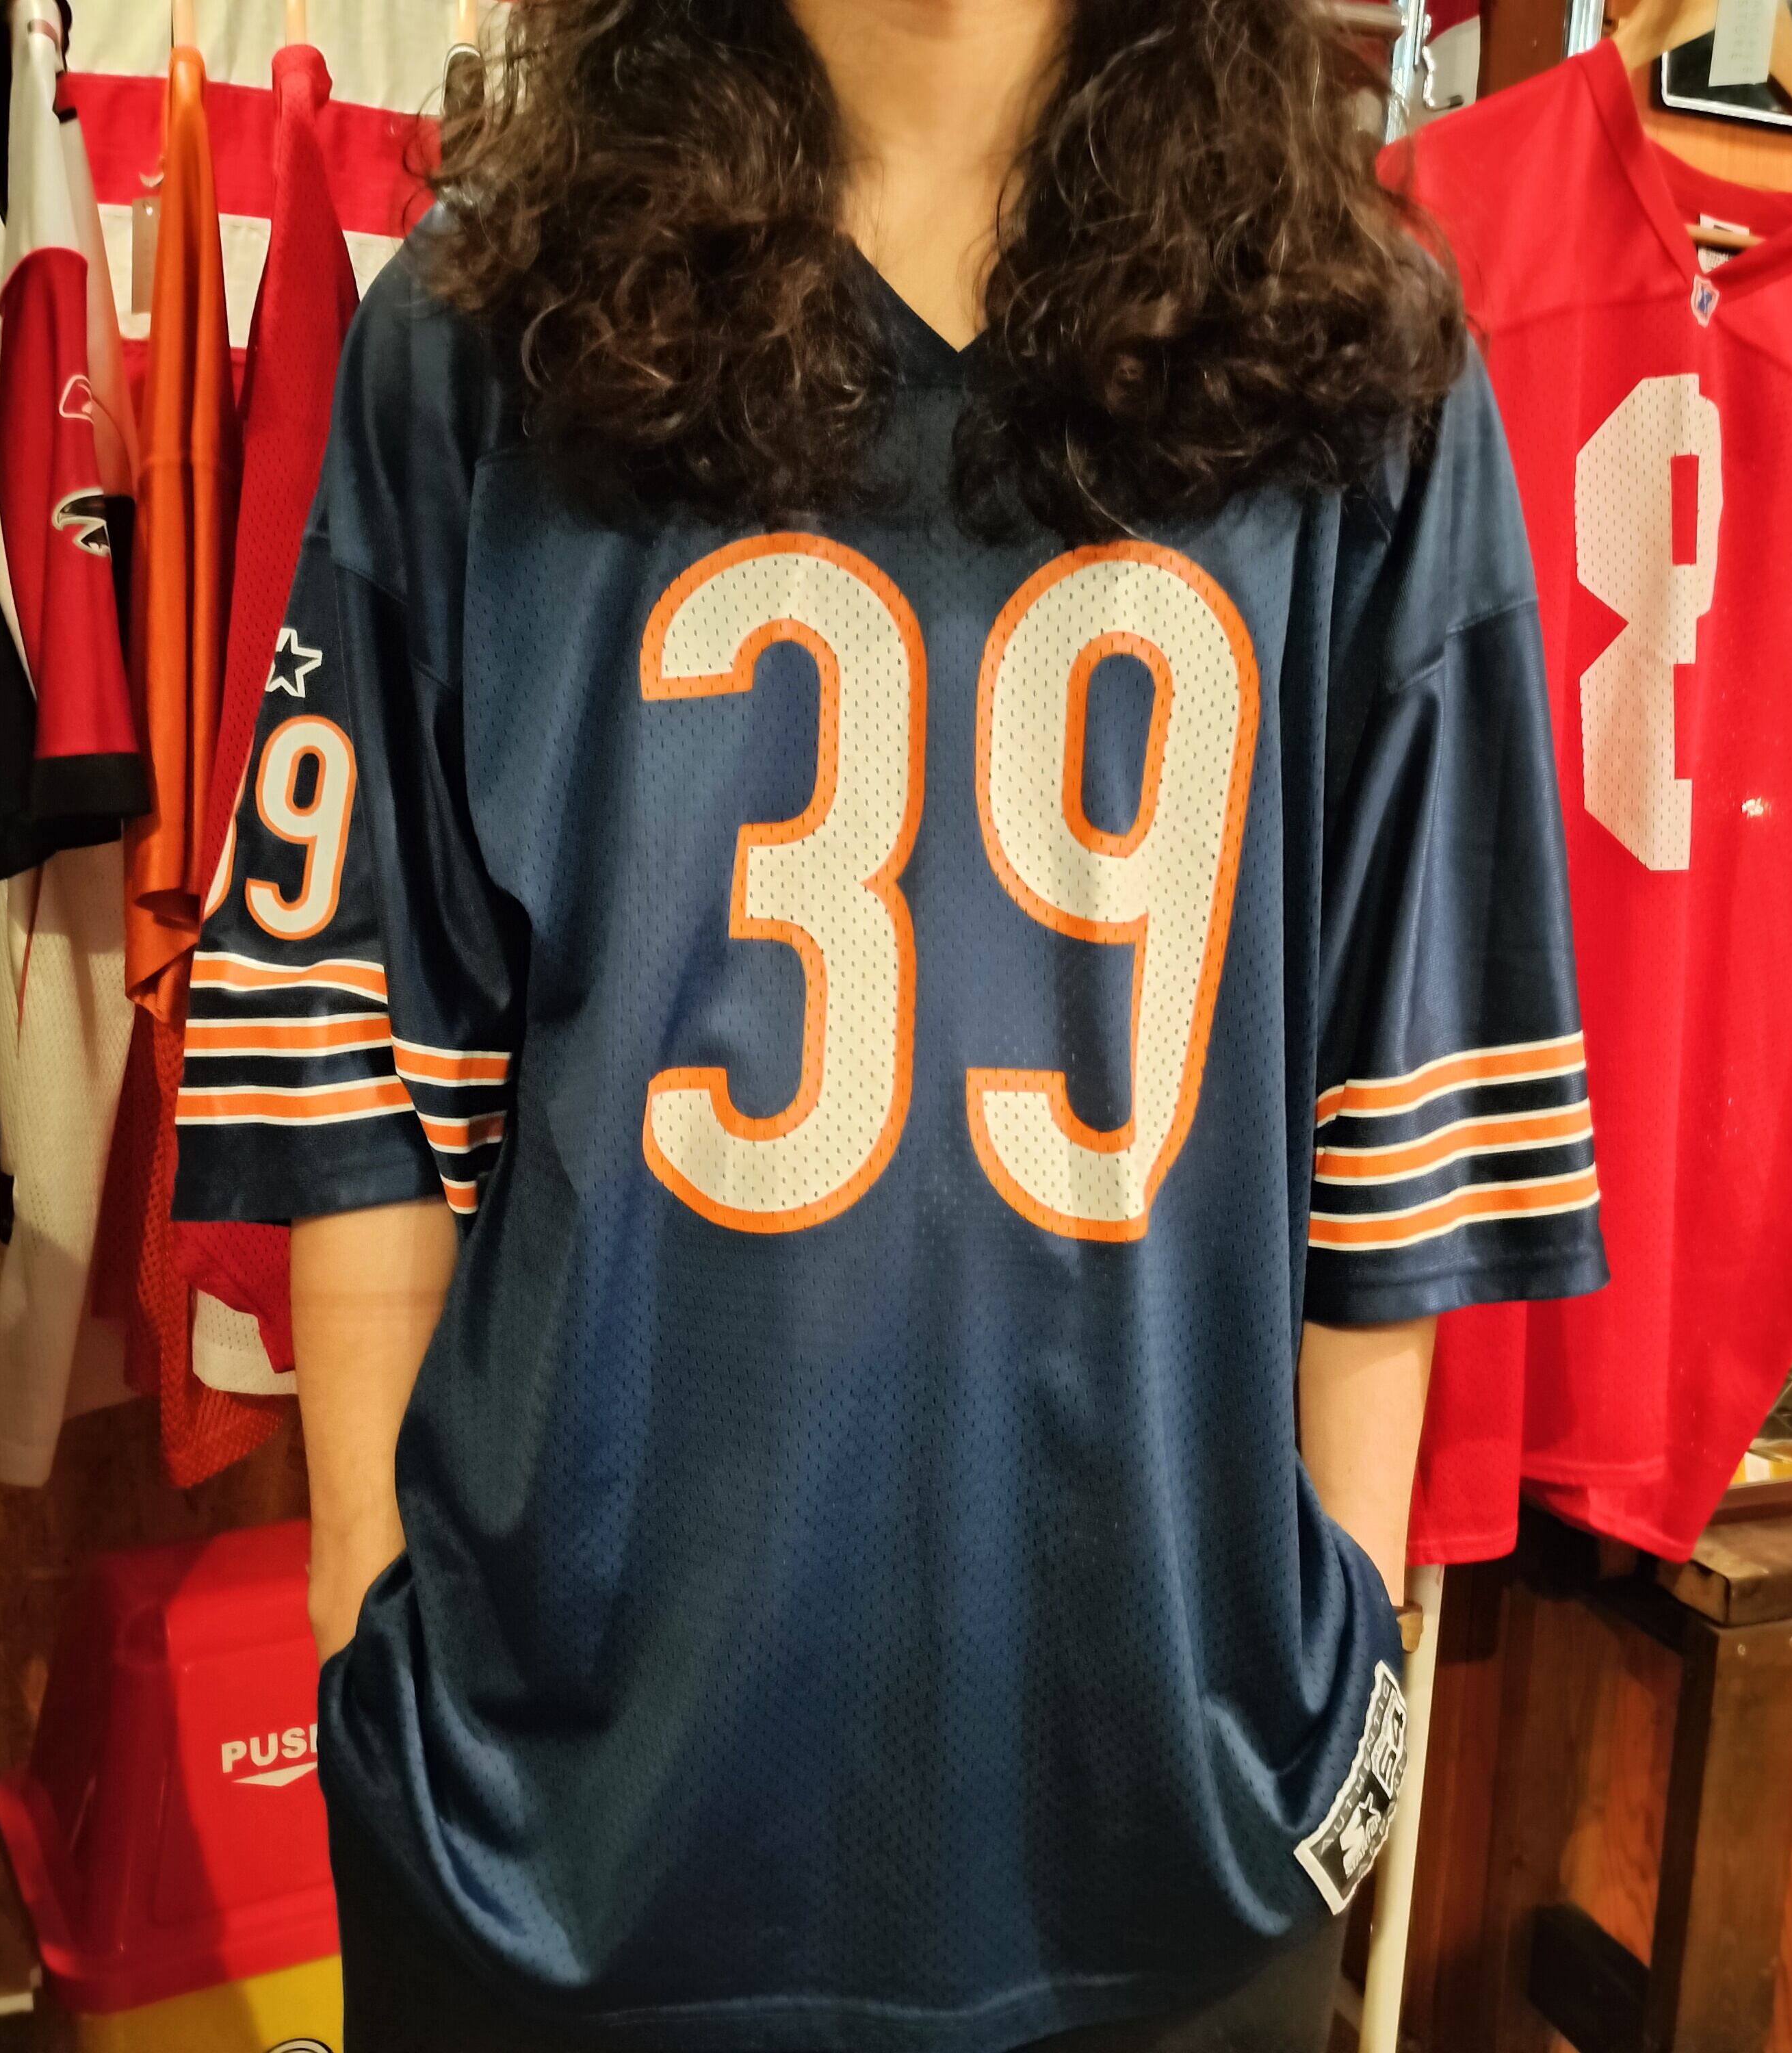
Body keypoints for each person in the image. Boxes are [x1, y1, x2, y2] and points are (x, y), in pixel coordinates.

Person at [174, 2, 1607, 2048]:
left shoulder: (1356, 357)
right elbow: (359, 1062)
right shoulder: (486, 330)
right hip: (556, 1837)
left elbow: (1398, 1104)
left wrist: (1337, 1661)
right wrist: (362, 1606)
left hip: (1166, 1821)